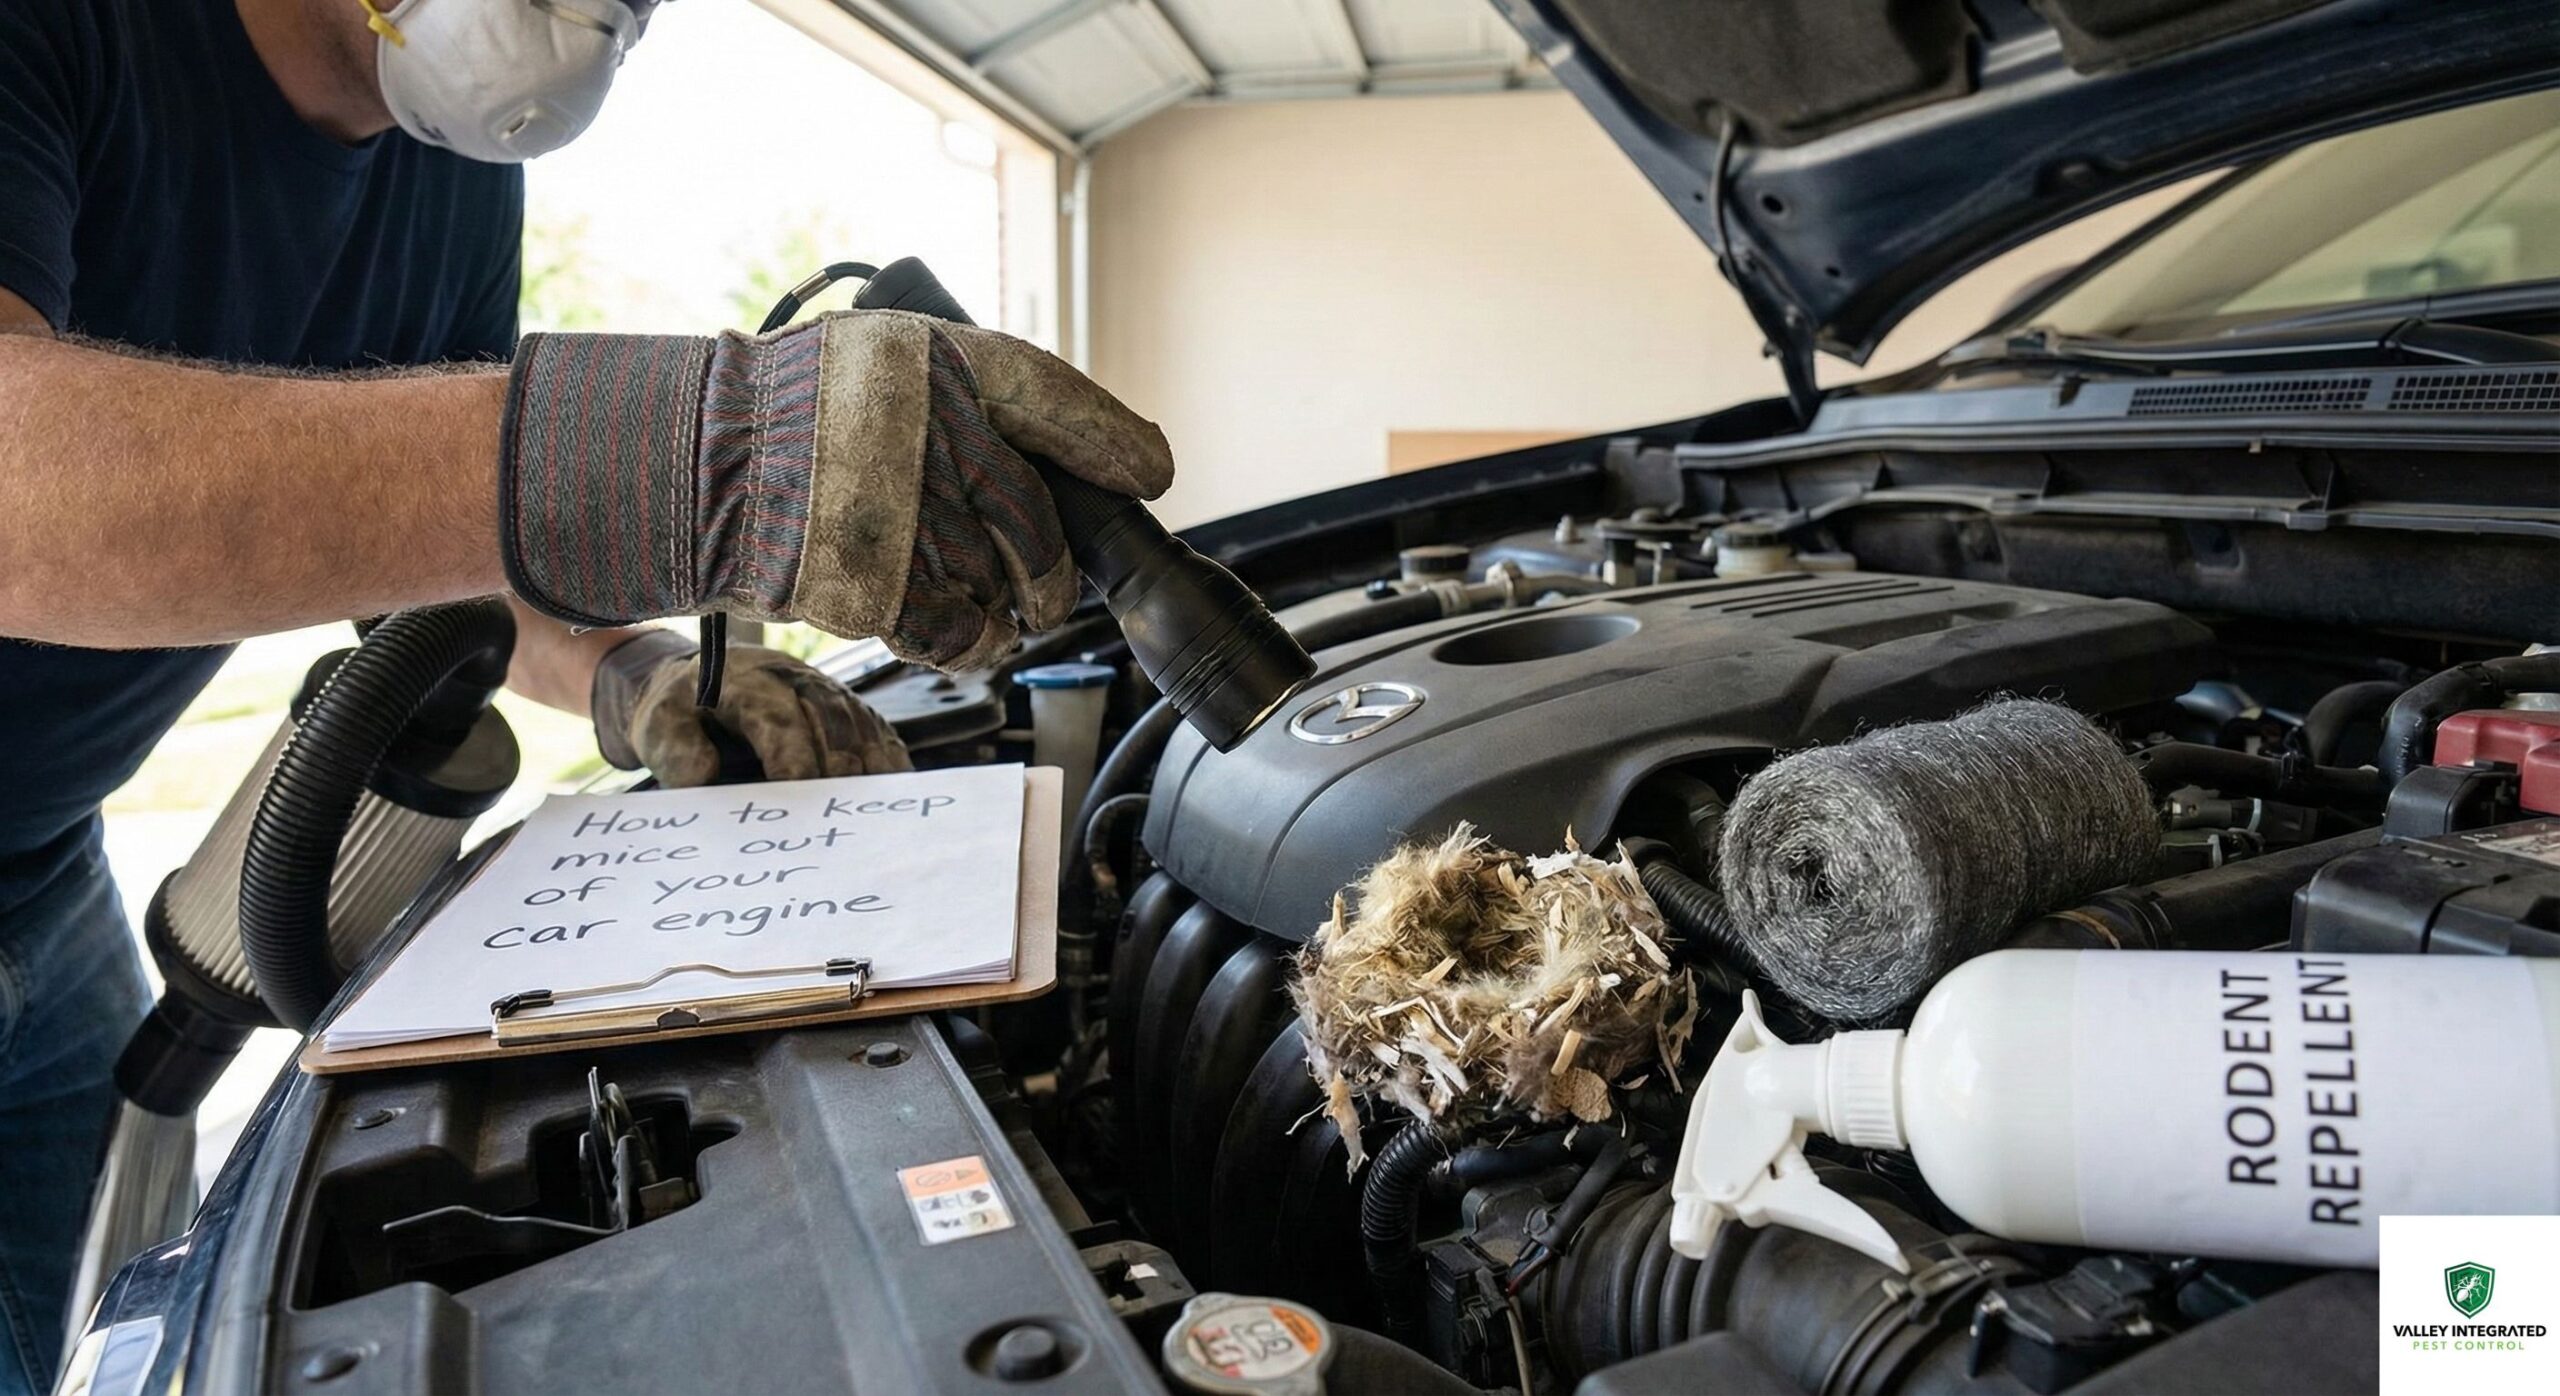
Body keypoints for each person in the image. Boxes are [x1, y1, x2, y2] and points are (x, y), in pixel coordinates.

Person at [0, 0, 1172, 1385]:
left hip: (41, 867)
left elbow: (437, 542)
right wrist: (677, 447)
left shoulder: (451, 170)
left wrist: (628, 673)